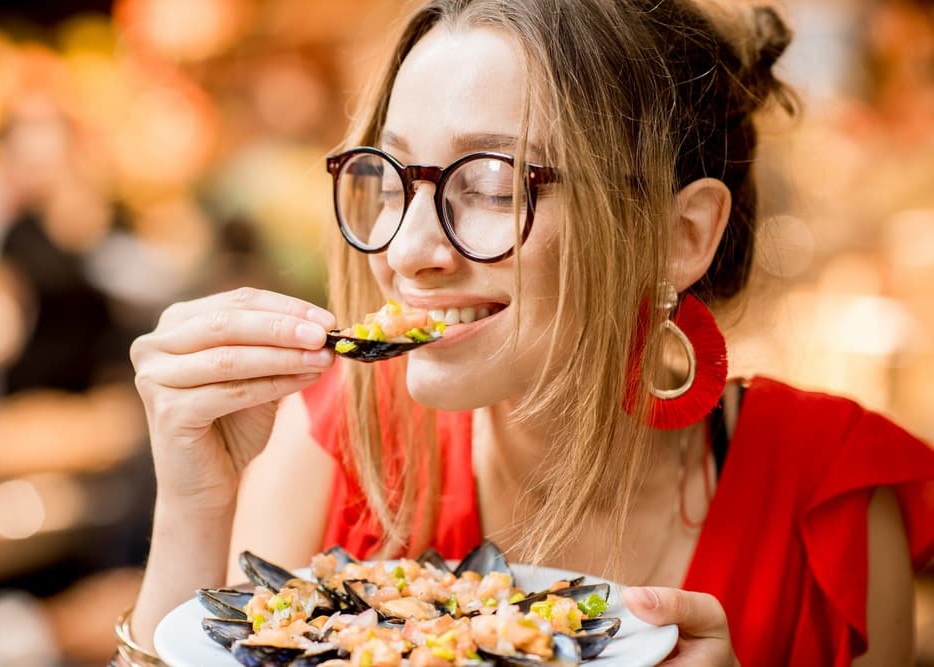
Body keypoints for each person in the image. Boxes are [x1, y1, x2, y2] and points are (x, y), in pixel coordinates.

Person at [118, 1, 934, 665]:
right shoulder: (325, 450)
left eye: (493, 184)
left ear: (679, 235)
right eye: (393, 175)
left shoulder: (831, 505)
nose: (407, 251)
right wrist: (193, 508)